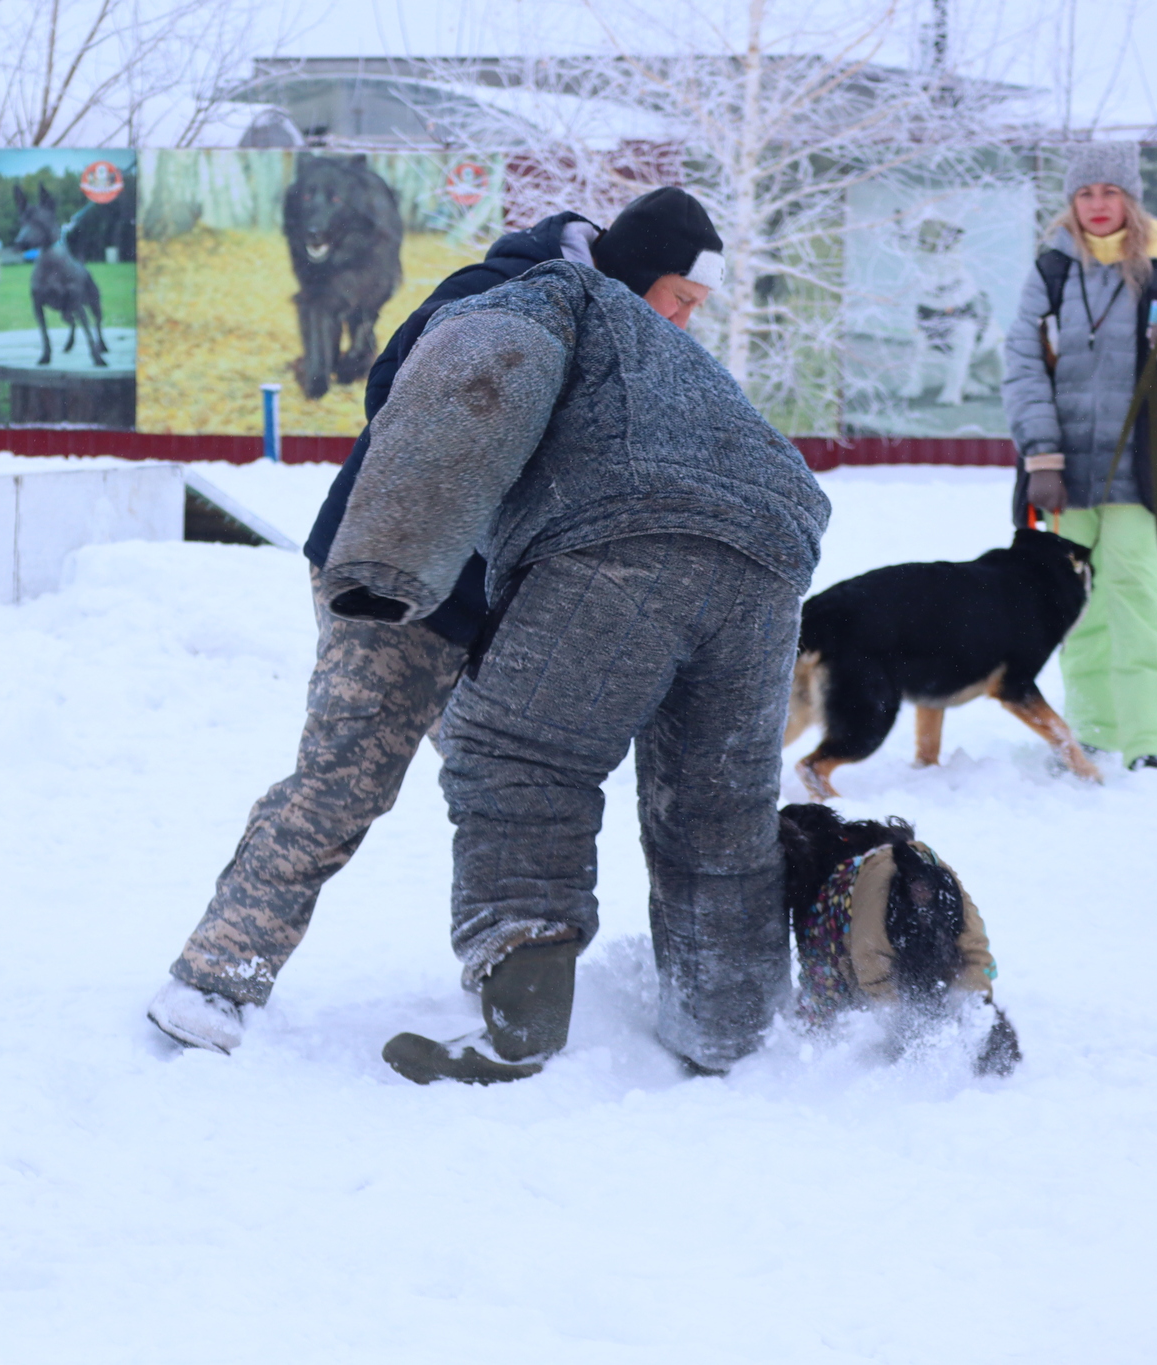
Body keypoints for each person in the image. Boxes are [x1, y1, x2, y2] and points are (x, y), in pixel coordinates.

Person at [147, 188, 730, 1055]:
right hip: (398, 583)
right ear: (642, 271)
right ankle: (213, 979)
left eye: (697, 310)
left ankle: (518, 983)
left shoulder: (631, 345)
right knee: (346, 776)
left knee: (518, 791)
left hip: (502, 606)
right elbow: (398, 394)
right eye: (679, 299)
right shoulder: (496, 292)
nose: (684, 323)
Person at [321, 239, 830, 1082]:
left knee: (520, 754)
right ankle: (729, 1033)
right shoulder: (657, 348)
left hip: (625, 530)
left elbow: (480, 377)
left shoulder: (535, 296)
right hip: (775, 545)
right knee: (718, 801)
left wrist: (387, 563)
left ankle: (520, 1025)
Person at [1001, 143, 1157, 773]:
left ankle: (1150, 744)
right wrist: (1041, 457)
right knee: (1074, 608)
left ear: (1131, 197)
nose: (1098, 205)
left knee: (1133, 599)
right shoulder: (1050, 270)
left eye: (1110, 191)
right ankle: (1091, 735)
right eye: (1085, 193)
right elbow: (1021, 364)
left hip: (1139, 472)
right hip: (1063, 476)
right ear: (1071, 203)